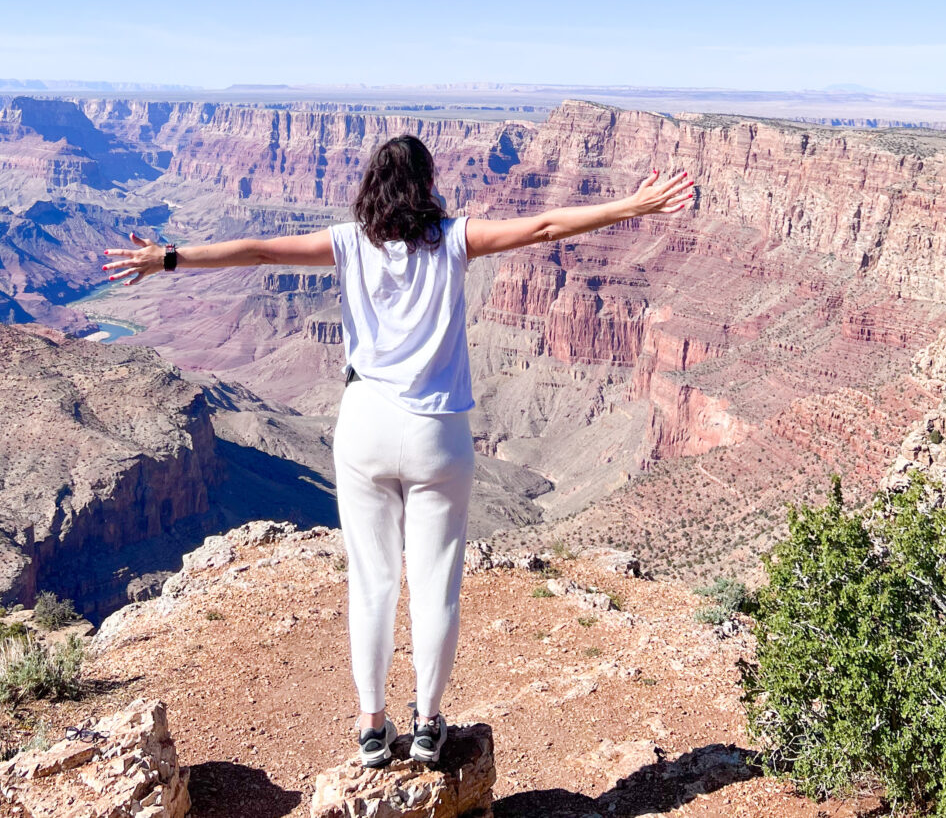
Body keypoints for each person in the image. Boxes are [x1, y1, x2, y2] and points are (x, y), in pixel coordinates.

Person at [101, 134, 694, 767]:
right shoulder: (455, 240)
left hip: (365, 427)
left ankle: (371, 724)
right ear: (426, 184)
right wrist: (633, 206)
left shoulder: (347, 243)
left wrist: (167, 258)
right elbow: (546, 226)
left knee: (371, 581)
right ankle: (429, 722)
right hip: (438, 432)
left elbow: (254, 249)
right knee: (435, 585)